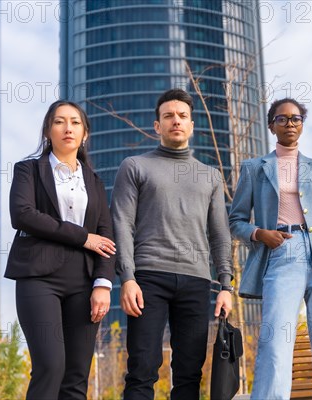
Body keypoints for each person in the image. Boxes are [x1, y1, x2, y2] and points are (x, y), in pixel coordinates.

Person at [229, 98, 312, 399]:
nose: (290, 124)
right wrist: (261, 233)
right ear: (271, 124)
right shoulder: (254, 168)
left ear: (303, 123)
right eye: (282, 118)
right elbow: (235, 221)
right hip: (282, 251)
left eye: (296, 118)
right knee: (275, 342)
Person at [111, 88, 233, 399]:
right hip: (148, 278)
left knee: (190, 374)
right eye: (168, 116)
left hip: (196, 281)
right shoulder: (135, 166)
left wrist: (226, 286)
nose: (175, 121)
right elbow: (122, 223)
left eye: (182, 116)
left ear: (192, 125)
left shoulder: (211, 176)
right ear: (157, 125)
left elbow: (219, 233)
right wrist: (127, 278)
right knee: (142, 369)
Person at [5, 100, 116, 399]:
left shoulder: (94, 182)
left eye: (75, 122)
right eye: (59, 121)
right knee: (51, 366)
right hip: (38, 277)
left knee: (76, 376)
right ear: (47, 131)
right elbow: (23, 214)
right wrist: (82, 237)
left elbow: (106, 235)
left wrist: (103, 284)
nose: (68, 128)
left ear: (85, 134)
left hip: (83, 282)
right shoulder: (28, 170)